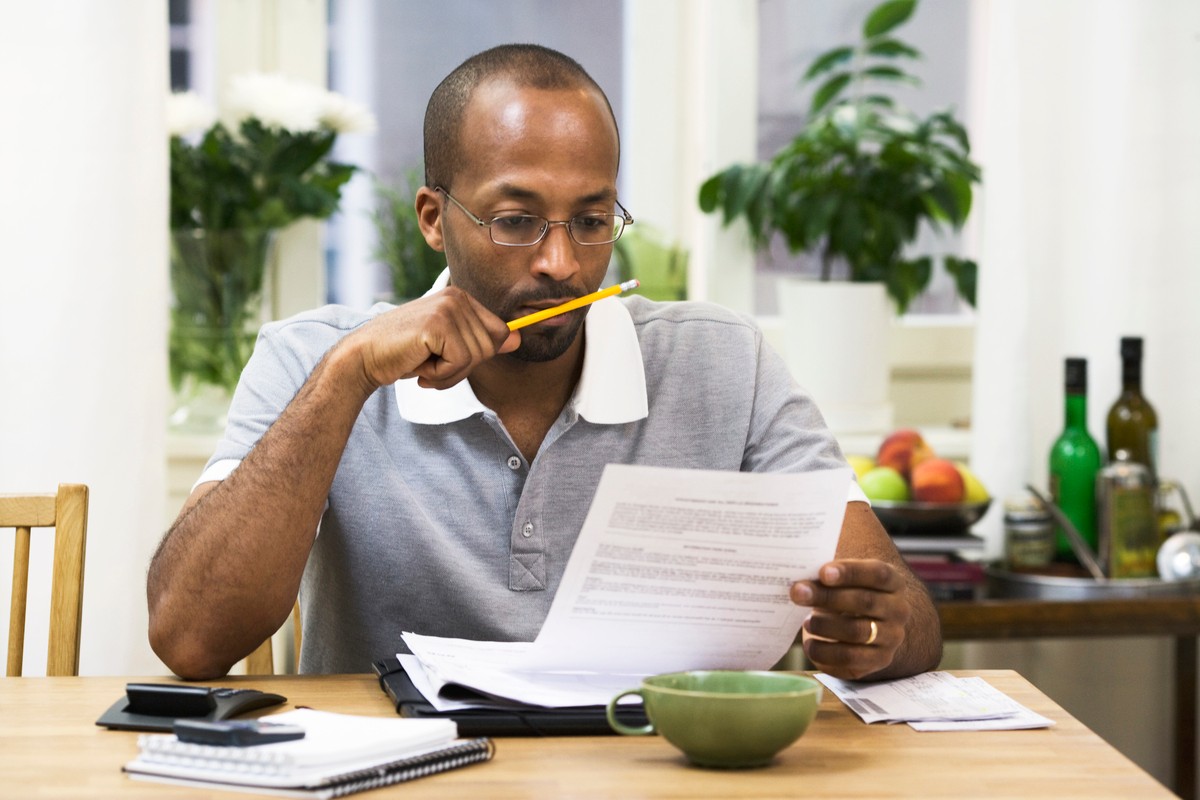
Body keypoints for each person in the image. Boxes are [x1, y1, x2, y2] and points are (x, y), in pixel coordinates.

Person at [147, 44, 942, 682]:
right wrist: (347, 377)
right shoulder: (313, 358)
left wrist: (881, 629)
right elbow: (188, 638)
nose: (562, 262)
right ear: (434, 218)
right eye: (517, 220)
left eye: (592, 219)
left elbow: (905, 618)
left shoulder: (724, 360)